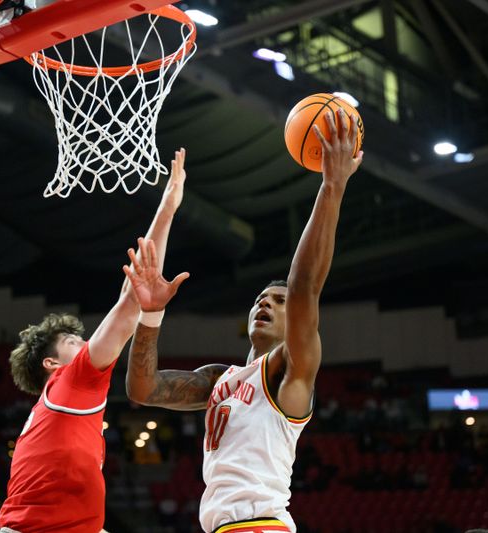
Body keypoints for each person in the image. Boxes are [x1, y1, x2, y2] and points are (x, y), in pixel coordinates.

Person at [124, 109, 363, 533]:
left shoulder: (289, 369)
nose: (265, 304)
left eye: (278, 301)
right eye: (260, 299)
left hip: (260, 525)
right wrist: (151, 313)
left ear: (298, 323)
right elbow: (142, 390)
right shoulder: (220, 379)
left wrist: (333, 185)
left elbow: (305, 284)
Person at [0, 149, 188, 533]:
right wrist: (167, 210)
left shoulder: (61, 407)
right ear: (52, 363)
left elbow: (128, 297)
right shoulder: (72, 380)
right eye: (71, 340)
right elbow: (130, 301)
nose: (83, 342)